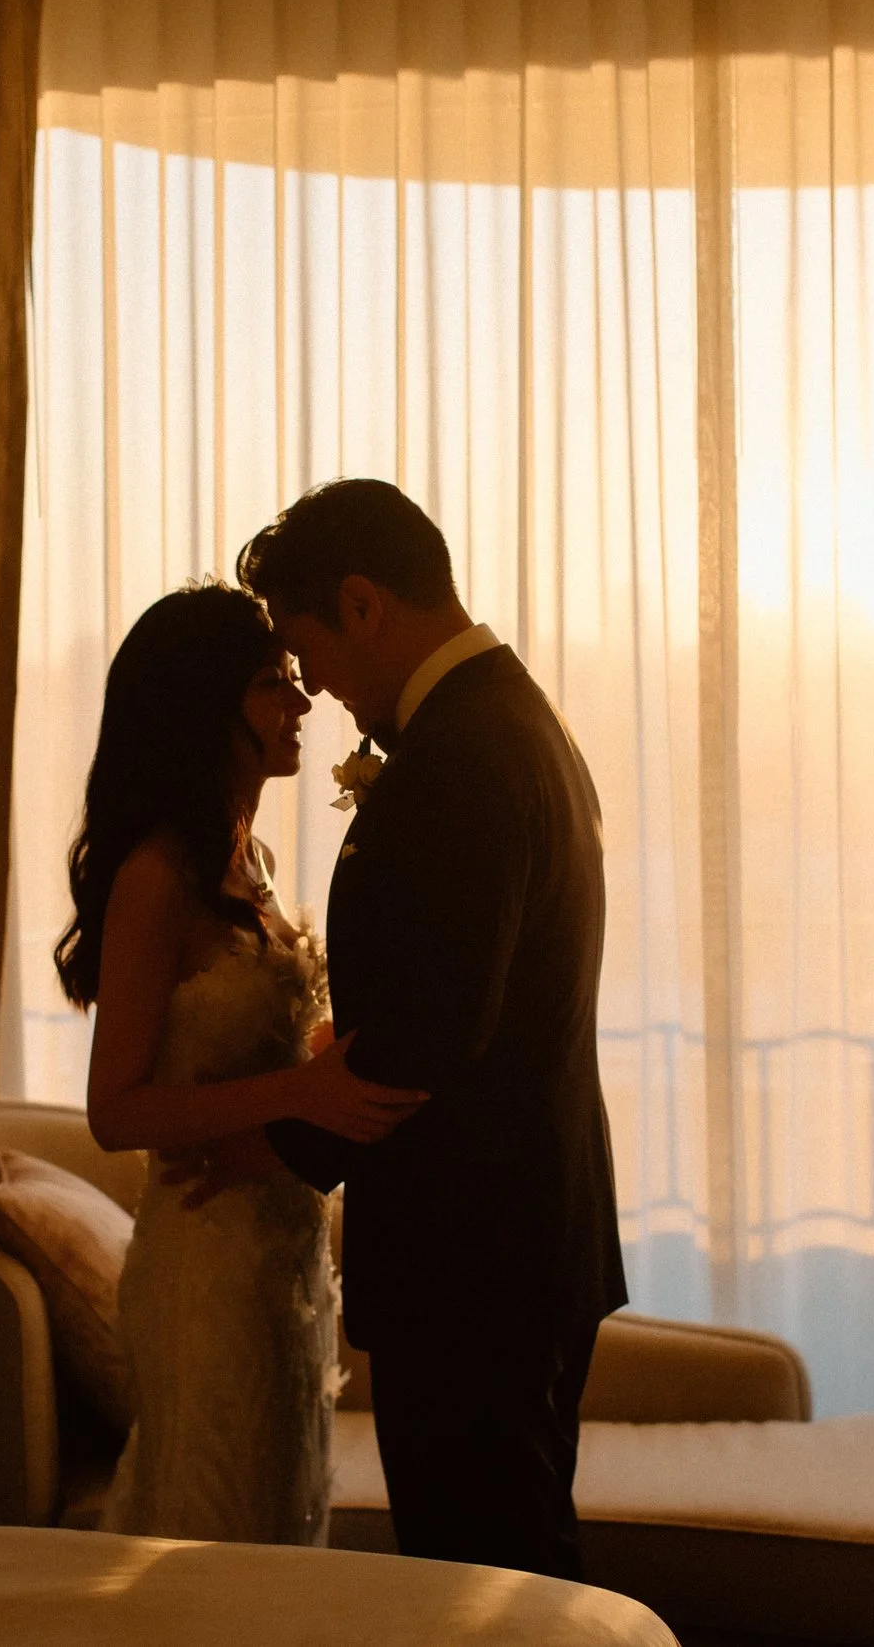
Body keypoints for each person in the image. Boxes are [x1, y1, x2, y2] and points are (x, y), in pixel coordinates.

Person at [179, 478, 628, 1579]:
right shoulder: (510, 714)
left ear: (364, 604)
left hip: (474, 1259)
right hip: (521, 1241)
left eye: (311, 647)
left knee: (487, 1587)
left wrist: (268, 1147)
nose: (317, 686)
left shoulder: (460, 758)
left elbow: (428, 1038)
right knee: (508, 1571)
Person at [54, 581, 424, 1546]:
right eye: (274, 685)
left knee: (279, 1513)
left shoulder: (248, 857)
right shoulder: (157, 876)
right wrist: (304, 1090)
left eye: (297, 682)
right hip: (206, 1253)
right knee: (210, 1521)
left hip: (284, 1246)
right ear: (203, 707)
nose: (303, 705)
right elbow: (116, 1109)